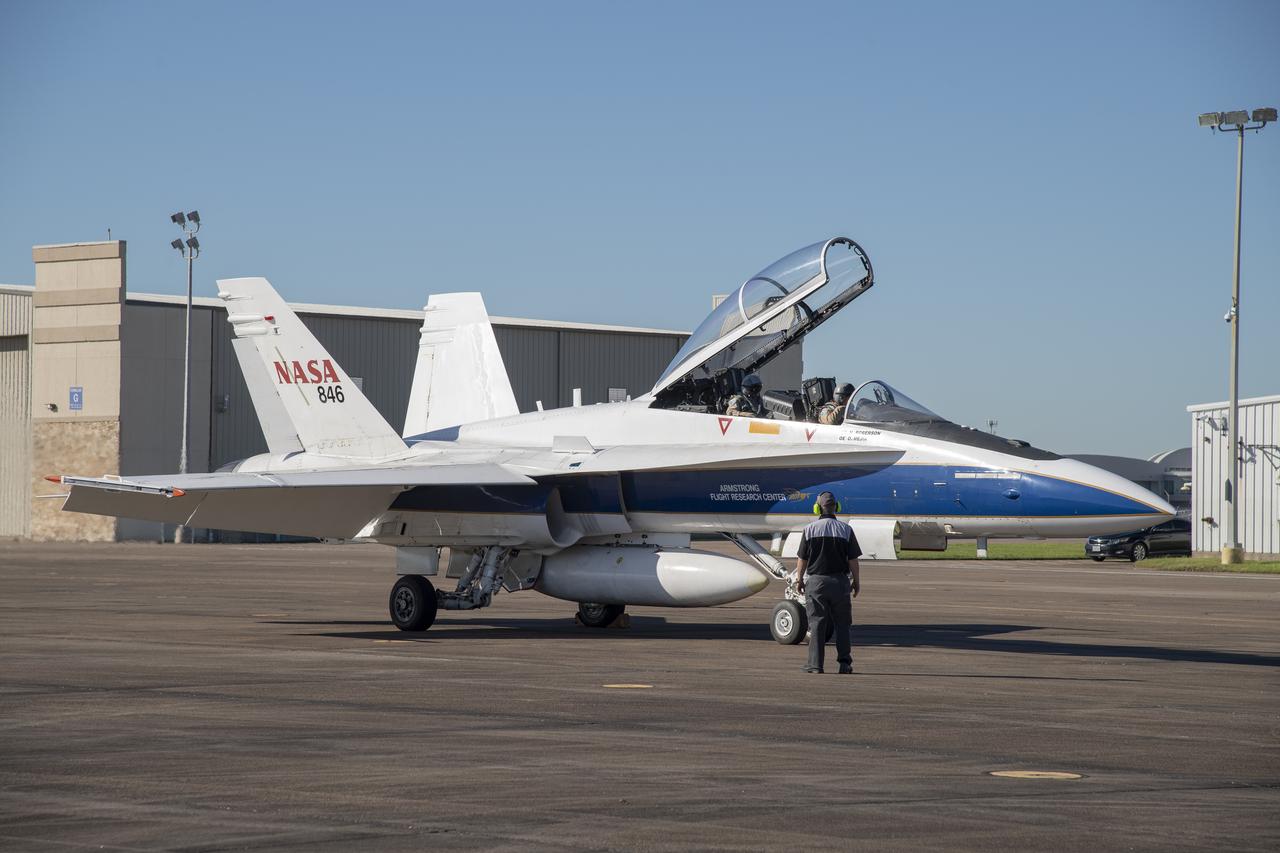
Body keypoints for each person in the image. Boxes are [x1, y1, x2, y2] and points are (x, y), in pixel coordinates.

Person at [795, 491, 861, 673]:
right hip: (840, 582)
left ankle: (815, 665)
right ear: (836, 507)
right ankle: (845, 664)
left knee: (817, 624)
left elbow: (802, 559)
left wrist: (799, 579)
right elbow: (853, 561)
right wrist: (856, 581)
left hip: (816, 583)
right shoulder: (846, 530)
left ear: (817, 508)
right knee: (843, 624)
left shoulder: (809, 530)